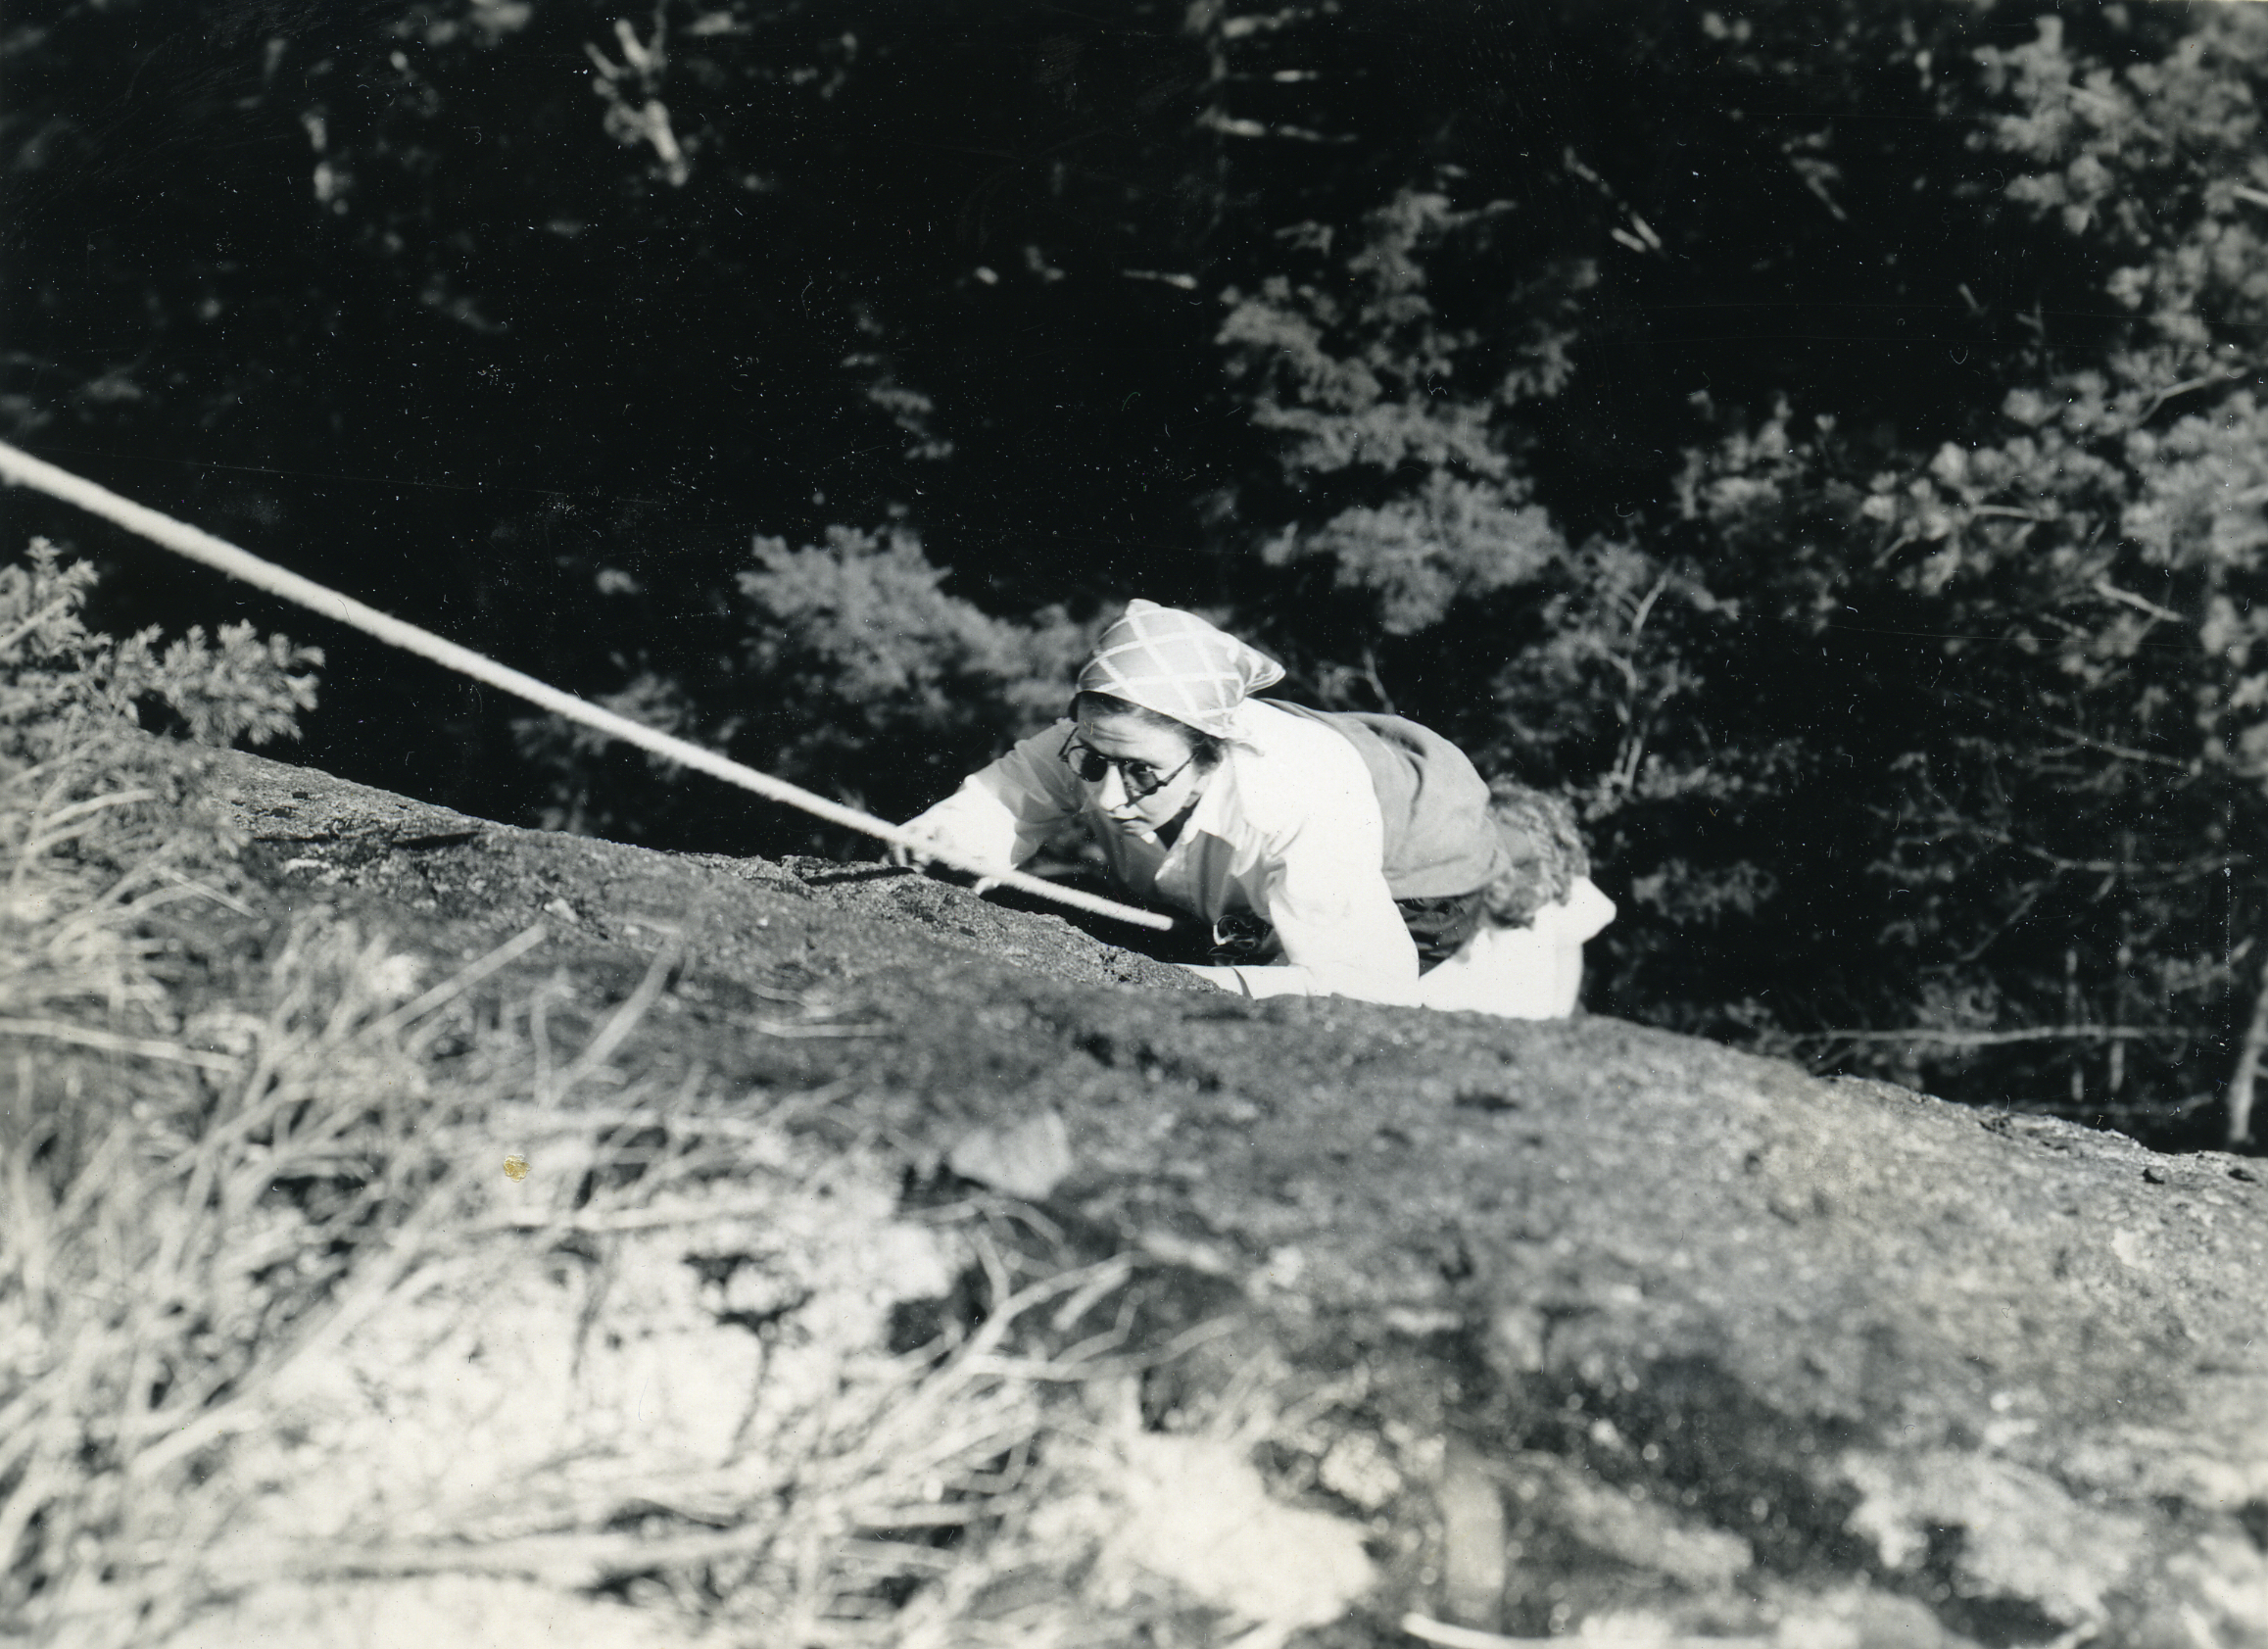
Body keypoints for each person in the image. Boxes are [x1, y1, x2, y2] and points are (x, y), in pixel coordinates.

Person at [891, 599, 1614, 1017]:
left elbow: (1362, 987)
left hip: (1418, 873)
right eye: (1092, 760)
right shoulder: (1099, 741)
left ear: (1214, 750)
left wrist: (1175, 984)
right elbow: (1005, 798)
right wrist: (945, 841)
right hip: (1279, 851)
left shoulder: (1294, 805)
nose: (1108, 798)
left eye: (1140, 772)